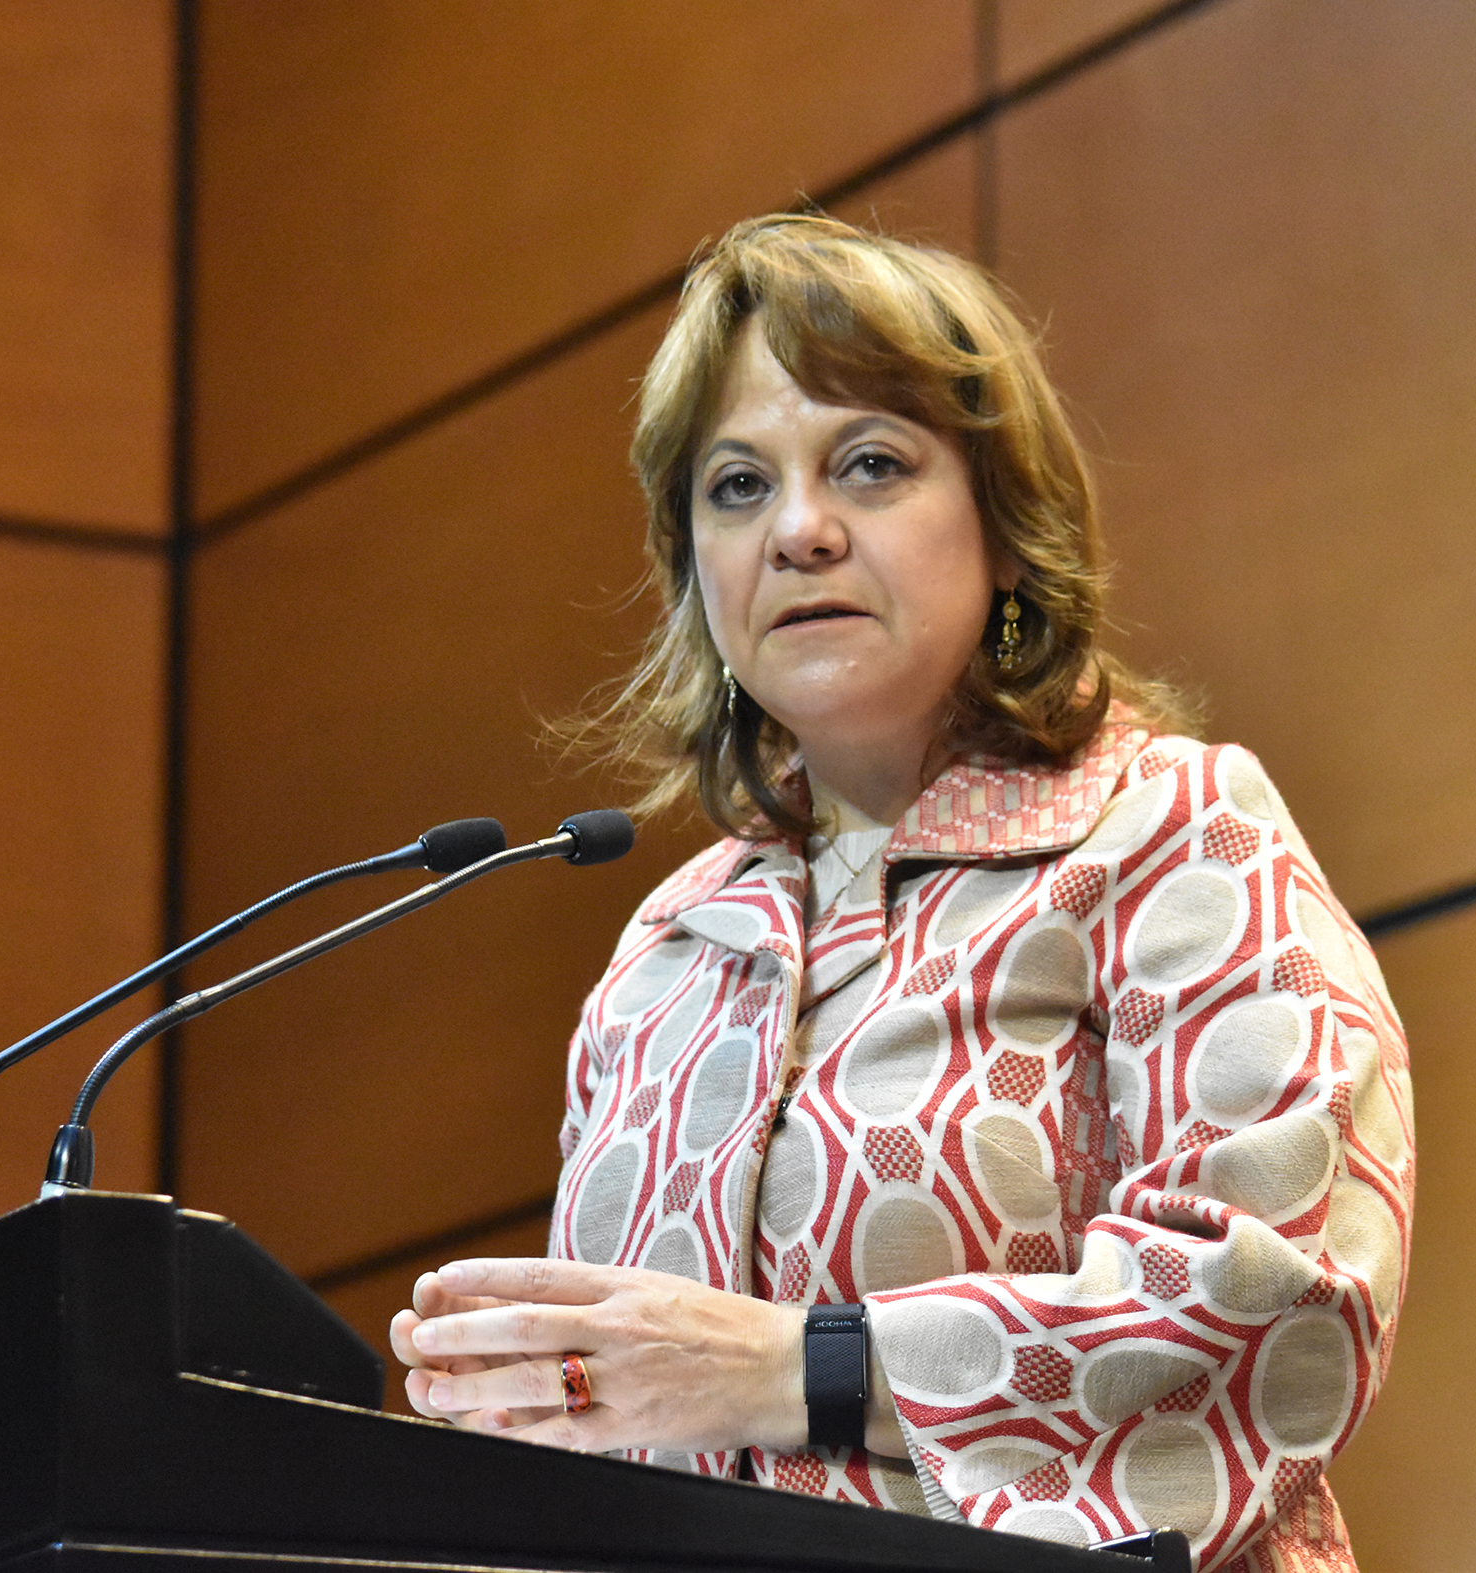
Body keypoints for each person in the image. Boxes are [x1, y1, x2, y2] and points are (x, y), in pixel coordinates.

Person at [390, 213, 1413, 1573]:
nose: (798, 531)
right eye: (736, 487)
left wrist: (787, 1368)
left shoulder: (1167, 833)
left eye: (870, 465)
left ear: (1006, 534)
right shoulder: (667, 951)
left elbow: (1278, 1307)